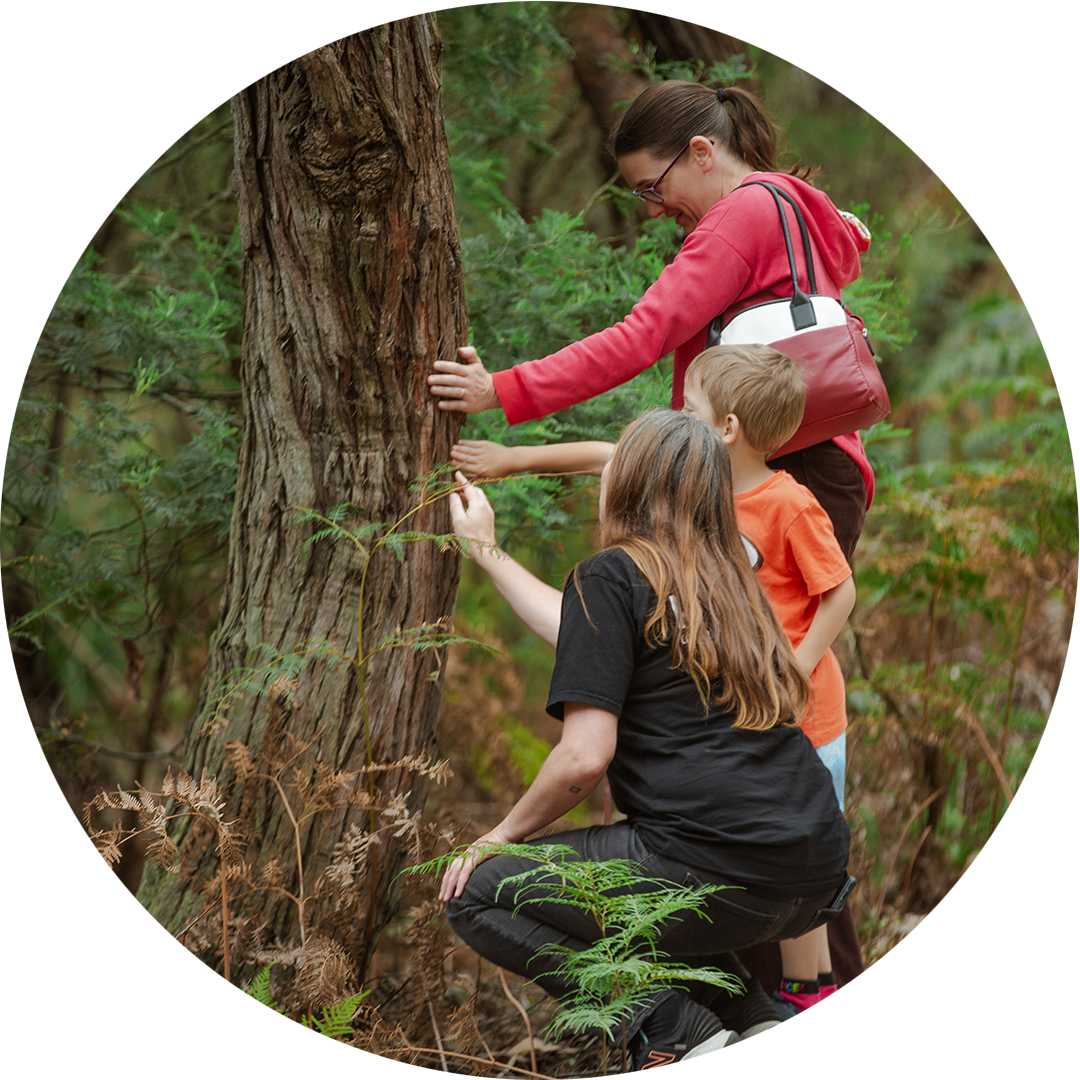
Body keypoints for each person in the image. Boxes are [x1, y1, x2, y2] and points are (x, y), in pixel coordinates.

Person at [448, 344, 857, 1020]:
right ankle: (756, 1028)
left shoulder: (611, 575)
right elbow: (589, 637)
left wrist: (499, 835)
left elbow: (584, 758)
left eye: (613, 466)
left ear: (628, 484)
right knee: (660, 898)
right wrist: (488, 553)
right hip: (813, 870)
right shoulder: (733, 580)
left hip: (713, 865)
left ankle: (673, 1031)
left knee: (478, 890)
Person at [428, 78, 874, 562]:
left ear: (701, 152)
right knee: (766, 638)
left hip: (784, 471)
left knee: (737, 637)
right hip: (818, 467)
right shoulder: (793, 207)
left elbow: (639, 339)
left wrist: (500, 390)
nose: (656, 211)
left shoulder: (741, 213)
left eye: (652, 189)